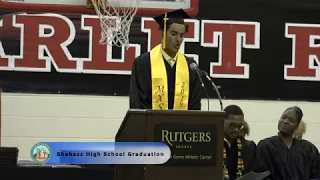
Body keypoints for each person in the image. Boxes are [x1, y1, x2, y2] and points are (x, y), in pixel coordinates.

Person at [129, 9, 202, 110]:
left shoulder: (190, 67)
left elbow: (194, 106)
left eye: (181, 35)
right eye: (173, 34)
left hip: (182, 125)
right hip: (150, 124)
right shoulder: (143, 63)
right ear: (162, 33)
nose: (178, 40)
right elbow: (137, 103)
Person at [256, 106, 320, 180]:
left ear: (296, 126)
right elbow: (261, 175)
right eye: (283, 117)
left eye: (291, 120)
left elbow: (316, 174)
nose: (285, 121)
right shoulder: (265, 146)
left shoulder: (308, 149)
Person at [223, 105, 257, 180]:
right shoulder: (213, 144)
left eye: (239, 126)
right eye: (232, 125)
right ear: (222, 121)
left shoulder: (249, 147)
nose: (236, 129)